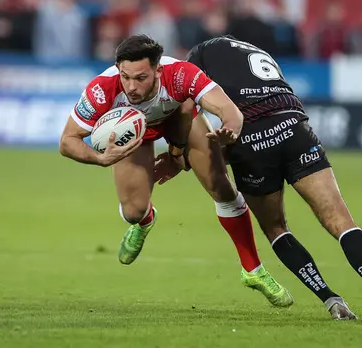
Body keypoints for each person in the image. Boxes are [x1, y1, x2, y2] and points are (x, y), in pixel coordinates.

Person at [155, 36, 362, 323]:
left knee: (276, 228)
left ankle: (332, 302)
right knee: (341, 220)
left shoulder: (200, 54)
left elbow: (185, 106)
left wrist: (178, 153)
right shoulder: (257, 51)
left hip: (251, 140)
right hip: (294, 128)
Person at [59, 34, 292, 307]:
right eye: (126, 77)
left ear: (158, 70)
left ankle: (253, 270)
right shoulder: (102, 89)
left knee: (222, 187)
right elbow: (67, 141)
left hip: (179, 119)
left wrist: (228, 129)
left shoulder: (181, 74)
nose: (131, 86)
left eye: (141, 78)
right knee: (133, 211)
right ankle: (145, 221)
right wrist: (100, 158)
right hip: (135, 133)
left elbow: (230, 111)